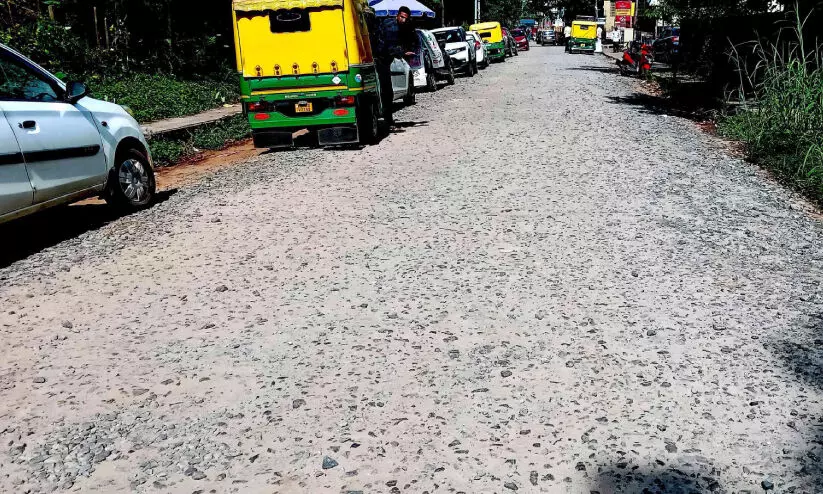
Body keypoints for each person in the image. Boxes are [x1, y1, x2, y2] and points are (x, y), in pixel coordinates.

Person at [372, 6, 417, 126]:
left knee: (387, 91)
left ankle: (387, 118)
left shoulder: (400, 26)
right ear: (397, 15)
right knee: (386, 91)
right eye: (401, 17)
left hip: (385, 60)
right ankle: (387, 119)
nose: (403, 20)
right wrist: (402, 52)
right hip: (380, 59)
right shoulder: (391, 27)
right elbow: (389, 48)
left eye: (405, 18)